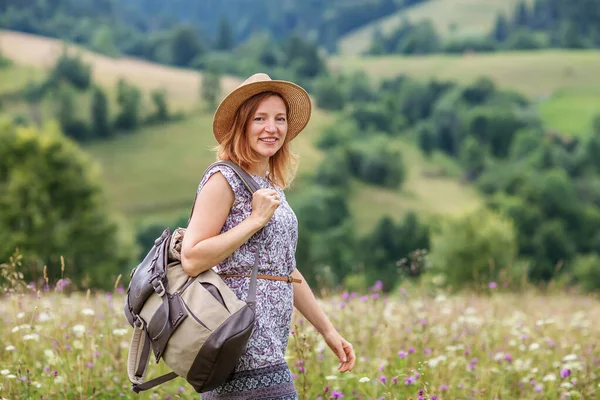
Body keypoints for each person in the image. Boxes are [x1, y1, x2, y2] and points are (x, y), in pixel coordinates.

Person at [180, 73, 356, 399]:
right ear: (242, 125)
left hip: (272, 342)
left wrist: (328, 331)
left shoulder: (271, 186)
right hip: (240, 340)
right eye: (260, 118)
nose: (271, 128)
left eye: (280, 119)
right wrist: (253, 221)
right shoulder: (224, 179)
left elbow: (285, 270)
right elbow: (191, 258)